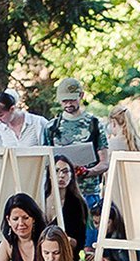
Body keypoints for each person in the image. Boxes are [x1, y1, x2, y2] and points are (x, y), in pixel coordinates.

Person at [44, 79, 109, 212]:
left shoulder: (94, 124)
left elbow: (104, 163)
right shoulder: (51, 127)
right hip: (60, 193)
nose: (68, 104)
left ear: (81, 96)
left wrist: (87, 172)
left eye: (72, 100)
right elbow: (45, 162)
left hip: (88, 192)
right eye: (64, 101)